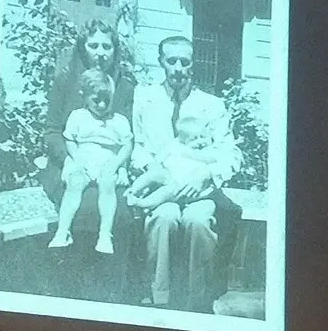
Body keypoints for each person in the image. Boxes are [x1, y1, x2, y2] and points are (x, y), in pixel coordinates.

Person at [128, 34, 240, 312]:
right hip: (162, 187)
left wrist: (205, 175)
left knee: (198, 221)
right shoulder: (145, 98)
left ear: (193, 65)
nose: (178, 68)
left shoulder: (211, 105)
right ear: (161, 62)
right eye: (171, 61)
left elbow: (231, 154)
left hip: (197, 189)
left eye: (184, 62)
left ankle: (196, 301)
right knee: (163, 218)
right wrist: (152, 169)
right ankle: (160, 298)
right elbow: (137, 146)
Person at [41, 19, 137, 256]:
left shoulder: (124, 86)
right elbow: (52, 130)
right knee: (83, 205)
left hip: (109, 164)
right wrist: (68, 160)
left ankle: (109, 281)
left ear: (115, 51)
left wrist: (119, 166)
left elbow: (126, 136)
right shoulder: (65, 80)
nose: (100, 53)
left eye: (107, 47)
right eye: (93, 46)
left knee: (121, 210)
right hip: (70, 160)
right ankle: (72, 278)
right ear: (82, 47)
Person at [49, 68, 133, 254]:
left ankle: (105, 234)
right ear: (84, 96)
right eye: (97, 100)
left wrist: (118, 166)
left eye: (107, 100)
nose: (102, 105)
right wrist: (76, 160)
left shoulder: (118, 121)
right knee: (74, 184)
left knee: (107, 185)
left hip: (107, 165)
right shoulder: (78, 116)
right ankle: (63, 231)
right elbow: (70, 139)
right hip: (84, 163)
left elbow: (127, 145)